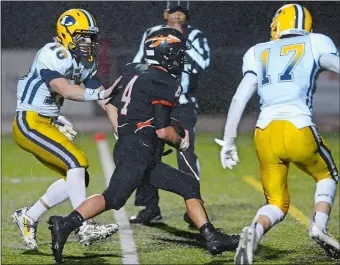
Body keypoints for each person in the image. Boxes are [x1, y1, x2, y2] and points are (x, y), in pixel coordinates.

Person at [48, 27, 239, 263]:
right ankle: (64, 224)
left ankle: (211, 237)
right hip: (140, 149)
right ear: (164, 54)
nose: (182, 57)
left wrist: (123, 130)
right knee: (115, 197)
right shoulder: (165, 81)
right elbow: (162, 130)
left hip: (135, 148)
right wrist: (182, 142)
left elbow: (110, 101)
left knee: (188, 184)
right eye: (177, 52)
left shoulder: (133, 72)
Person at [215, 4, 340, 264]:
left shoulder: (257, 51)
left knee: (277, 202)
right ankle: (318, 226)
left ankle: (255, 231)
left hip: (264, 133)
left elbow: (239, 97)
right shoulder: (316, 42)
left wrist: (228, 141)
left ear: (278, 24)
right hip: (298, 128)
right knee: (327, 174)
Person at [11, 8, 119, 250]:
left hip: (48, 121)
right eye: (83, 36)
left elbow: (100, 95)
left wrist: (116, 121)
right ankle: (83, 227)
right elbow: (65, 89)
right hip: (29, 123)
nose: (89, 42)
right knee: (76, 163)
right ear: (67, 34)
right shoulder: (53, 53)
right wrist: (100, 93)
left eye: (91, 37)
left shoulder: (84, 59)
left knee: (78, 176)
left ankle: (28, 216)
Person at [130, 0, 210, 226]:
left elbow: (201, 65)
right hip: (154, 101)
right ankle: (150, 207)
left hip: (182, 103)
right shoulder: (151, 33)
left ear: (187, 16)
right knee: (146, 152)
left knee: (185, 152)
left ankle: (194, 207)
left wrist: (180, 41)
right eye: (173, 11)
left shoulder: (195, 37)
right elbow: (137, 63)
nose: (177, 16)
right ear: (165, 13)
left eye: (181, 12)